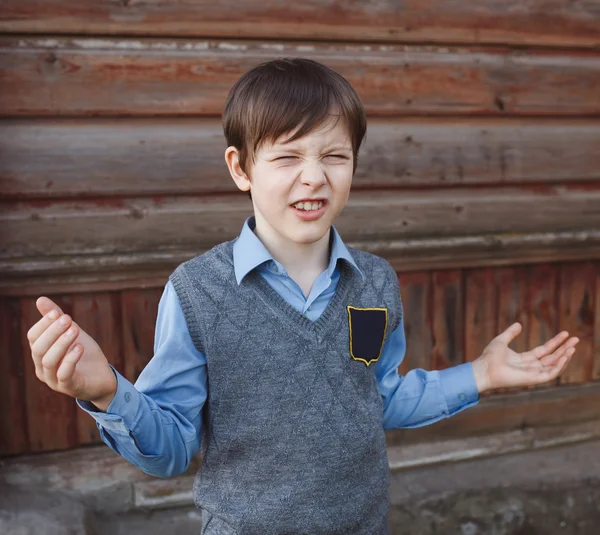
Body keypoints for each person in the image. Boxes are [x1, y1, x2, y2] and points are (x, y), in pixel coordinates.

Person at [26, 58, 579, 535]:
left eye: (334, 157)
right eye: (288, 157)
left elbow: (375, 398)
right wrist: (104, 392)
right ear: (240, 168)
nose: (313, 177)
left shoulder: (375, 283)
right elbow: (170, 448)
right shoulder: (198, 292)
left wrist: (480, 375)